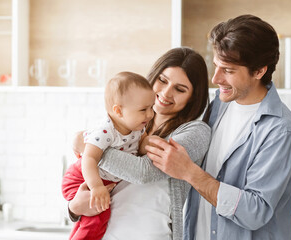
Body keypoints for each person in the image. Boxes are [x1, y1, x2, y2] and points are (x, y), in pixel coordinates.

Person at [145, 15, 291, 240]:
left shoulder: (280, 131)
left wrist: (189, 172)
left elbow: (254, 211)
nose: (216, 78)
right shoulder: (221, 102)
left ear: (259, 71)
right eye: (216, 66)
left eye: (228, 70)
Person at [69, 47, 211, 240]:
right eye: (162, 80)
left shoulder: (194, 132)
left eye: (180, 89)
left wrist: (90, 149)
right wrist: (74, 208)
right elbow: (87, 188)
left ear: (194, 97)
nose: (166, 93)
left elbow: (144, 172)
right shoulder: (127, 123)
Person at [61, 71, 155, 240]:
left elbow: (140, 145)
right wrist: (96, 187)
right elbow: (89, 158)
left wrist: (149, 144)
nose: (150, 114)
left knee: (90, 219)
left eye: (151, 108)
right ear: (118, 111)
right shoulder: (105, 131)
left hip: (98, 179)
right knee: (97, 219)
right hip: (82, 177)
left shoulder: (137, 125)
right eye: (143, 109)